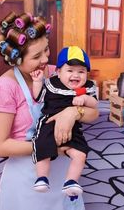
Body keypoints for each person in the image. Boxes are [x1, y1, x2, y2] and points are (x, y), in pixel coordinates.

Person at [0, 11, 99, 210]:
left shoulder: (59, 73)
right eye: (36, 56)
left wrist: (72, 113)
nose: (45, 59)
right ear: (16, 59)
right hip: (27, 179)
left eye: (46, 50)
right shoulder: (5, 87)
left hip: (63, 173)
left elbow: (94, 113)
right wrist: (50, 148)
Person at [30, 46, 98, 197]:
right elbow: (39, 97)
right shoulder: (52, 84)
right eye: (70, 70)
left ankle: (71, 181)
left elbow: (94, 105)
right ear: (59, 72)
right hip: (49, 123)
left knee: (81, 154)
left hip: (72, 128)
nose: (76, 75)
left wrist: (85, 98)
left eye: (81, 71)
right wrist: (37, 81)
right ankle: (42, 177)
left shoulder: (84, 88)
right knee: (42, 146)